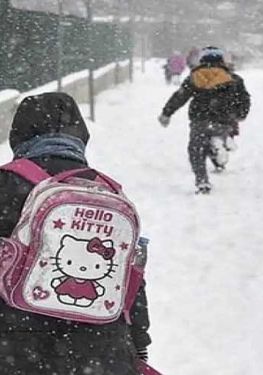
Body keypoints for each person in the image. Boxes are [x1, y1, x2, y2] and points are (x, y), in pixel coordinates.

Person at [0, 93, 151, 374]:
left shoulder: (5, 184)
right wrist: (138, 344)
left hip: (13, 346)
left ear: (18, 136)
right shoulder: (106, 192)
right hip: (99, 348)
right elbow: (131, 280)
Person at [159, 46, 251, 194]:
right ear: (222, 60)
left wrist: (166, 113)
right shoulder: (234, 79)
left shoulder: (195, 77)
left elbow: (180, 96)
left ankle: (202, 181)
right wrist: (240, 114)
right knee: (216, 136)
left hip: (200, 119)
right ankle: (220, 147)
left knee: (196, 149)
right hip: (224, 119)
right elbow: (244, 99)